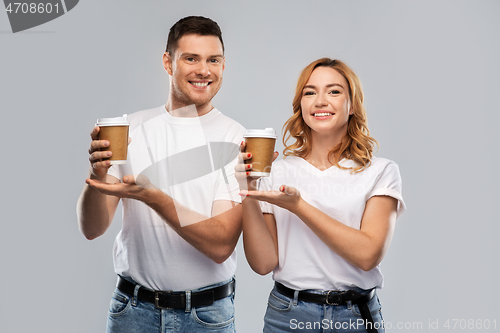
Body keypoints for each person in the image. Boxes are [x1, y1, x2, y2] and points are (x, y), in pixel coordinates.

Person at [77, 16, 245, 333]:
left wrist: (152, 198)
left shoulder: (236, 138)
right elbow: (92, 228)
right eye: (191, 58)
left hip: (206, 317)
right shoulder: (131, 130)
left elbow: (221, 245)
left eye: (214, 60)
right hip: (132, 313)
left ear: (224, 65)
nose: (204, 70)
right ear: (168, 63)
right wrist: (97, 178)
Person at [236, 58, 406, 332]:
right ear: (300, 105)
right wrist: (247, 191)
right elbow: (263, 263)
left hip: (355, 318)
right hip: (287, 316)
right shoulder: (276, 171)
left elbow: (368, 255)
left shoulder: (380, 171)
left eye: (334, 91)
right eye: (310, 92)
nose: (320, 100)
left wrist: (299, 206)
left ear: (352, 105)